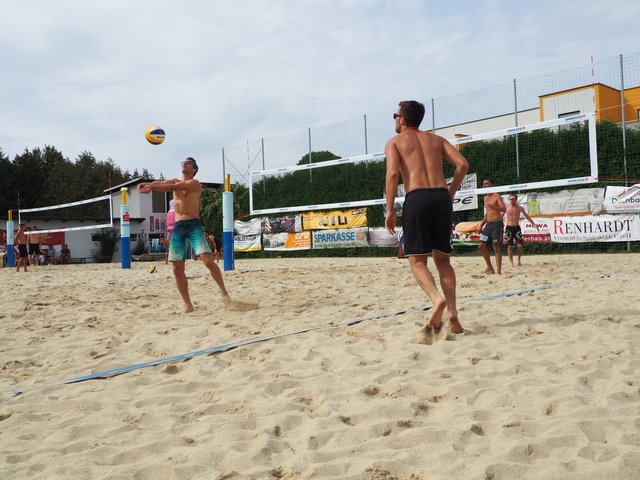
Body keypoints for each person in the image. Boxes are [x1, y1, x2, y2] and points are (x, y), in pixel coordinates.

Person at [385, 100, 469, 338]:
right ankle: (453, 314)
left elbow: (392, 174)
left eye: (394, 115)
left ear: (402, 119)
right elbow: (462, 164)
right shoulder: (437, 140)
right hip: (441, 197)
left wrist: (390, 209)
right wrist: (450, 192)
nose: (394, 119)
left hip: (418, 197)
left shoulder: (395, 142)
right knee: (443, 260)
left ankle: (437, 300)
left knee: (417, 260)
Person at [137, 157, 230, 312]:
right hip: (179, 226)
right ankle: (188, 304)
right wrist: (150, 184)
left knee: (207, 261)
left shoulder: (194, 183)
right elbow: (162, 183)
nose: (184, 164)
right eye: (182, 163)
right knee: (176, 268)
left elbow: (171, 186)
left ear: (194, 169)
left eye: (188, 163)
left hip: (193, 224)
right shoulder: (174, 181)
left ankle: (224, 292)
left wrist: (152, 187)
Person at [478, 178, 506, 274]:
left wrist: (494, 207)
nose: (484, 185)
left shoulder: (497, 195)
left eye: (486, 183)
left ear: (491, 185)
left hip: (497, 225)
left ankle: (498, 271)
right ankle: (490, 267)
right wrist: (481, 224)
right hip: (488, 225)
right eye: (483, 184)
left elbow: (503, 208)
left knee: (496, 247)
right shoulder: (485, 198)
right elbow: (487, 214)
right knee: (481, 245)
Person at [505, 194, 539, 267]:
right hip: (508, 228)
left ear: (516, 199)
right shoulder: (506, 207)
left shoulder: (520, 208)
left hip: (517, 227)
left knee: (520, 245)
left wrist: (533, 224)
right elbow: (500, 216)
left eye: (513, 199)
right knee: (509, 246)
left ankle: (519, 260)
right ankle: (511, 262)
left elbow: (527, 217)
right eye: (510, 199)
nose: (511, 200)